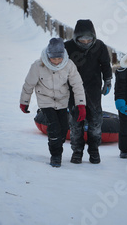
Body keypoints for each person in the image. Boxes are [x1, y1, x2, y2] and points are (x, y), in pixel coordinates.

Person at [20, 38, 86, 168]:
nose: (56, 61)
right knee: (54, 127)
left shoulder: (69, 65)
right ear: (48, 55)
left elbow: (77, 85)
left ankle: (56, 144)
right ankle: (56, 155)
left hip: (62, 101)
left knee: (63, 128)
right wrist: (24, 101)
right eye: (53, 58)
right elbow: (29, 84)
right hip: (45, 101)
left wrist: (81, 105)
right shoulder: (38, 66)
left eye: (59, 58)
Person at [65, 20, 112, 164]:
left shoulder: (99, 46)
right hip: (73, 91)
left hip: (93, 89)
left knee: (95, 122)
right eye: (82, 39)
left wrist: (108, 80)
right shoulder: (67, 47)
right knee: (75, 123)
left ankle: (94, 150)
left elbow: (105, 64)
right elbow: (61, 67)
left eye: (89, 39)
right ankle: (77, 151)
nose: (85, 42)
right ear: (76, 37)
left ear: (93, 37)